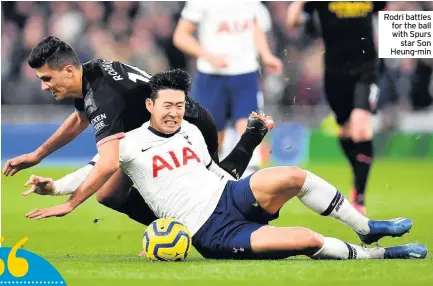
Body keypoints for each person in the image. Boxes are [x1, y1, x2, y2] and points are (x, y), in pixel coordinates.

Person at [25, 69, 427, 260]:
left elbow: (219, 173)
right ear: (149, 106)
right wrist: (54, 187)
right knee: (305, 238)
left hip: (230, 195)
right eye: (167, 106)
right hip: (209, 231)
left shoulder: (192, 132)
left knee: (292, 176)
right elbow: (90, 171)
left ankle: (367, 228)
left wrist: (252, 171)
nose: (174, 114)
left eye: (180, 106)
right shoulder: (128, 144)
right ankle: (378, 257)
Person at [3, 36, 273, 225]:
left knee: (216, 190)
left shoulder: (103, 98)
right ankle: (172, 232)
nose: (43, 86)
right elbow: (78, 120)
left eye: (46, 78)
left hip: (188, 125)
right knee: (110, 194)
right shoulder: (91, 74)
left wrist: (69, 204)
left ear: (69, 70)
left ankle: (251, 135)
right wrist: (38, 155)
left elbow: (107, 163)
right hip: (157, 130)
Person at [286, 1, 388, 214]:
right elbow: (292, 21)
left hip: (366, 69)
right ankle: (358, 168)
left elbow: (387, 9)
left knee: (361, 127)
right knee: (345, 131)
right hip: (335, 73)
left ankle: (359, 195)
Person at [173, 0, 283, 173]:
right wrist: (208, 56)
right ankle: (214, 182)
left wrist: (266, 55)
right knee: (214, 138)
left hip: (245, 74)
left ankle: (248, 186)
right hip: (212, 75)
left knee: (249, 130)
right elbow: (180, 36)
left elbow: (255, 26)